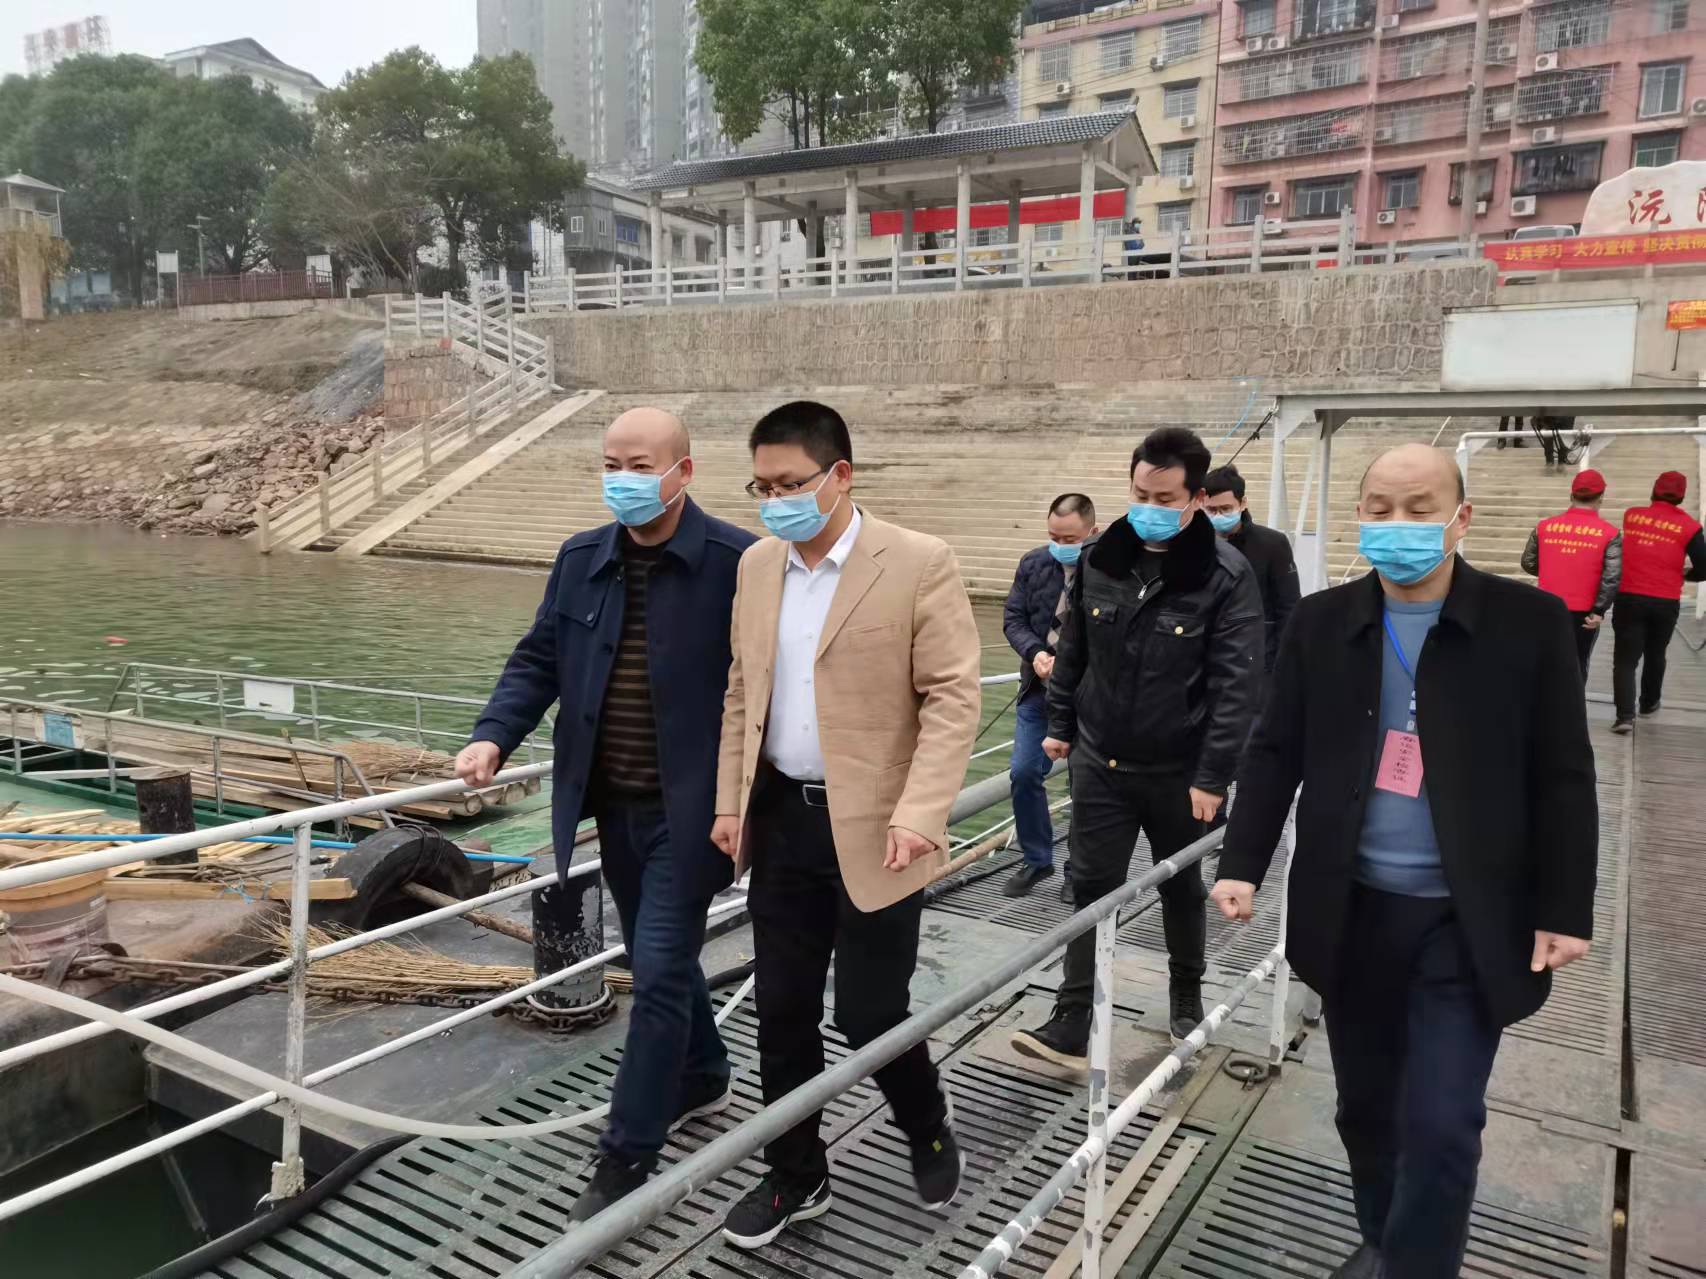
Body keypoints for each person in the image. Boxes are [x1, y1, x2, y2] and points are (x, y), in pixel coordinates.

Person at [1210, 443, 1597, 1279]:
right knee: (1366, 1110)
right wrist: (1242, 861)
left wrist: (1566, 905)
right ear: (1359, 516)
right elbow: (1275, 749)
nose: (1399, 525)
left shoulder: (1528, 622)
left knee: (1444, 1122)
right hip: (1352, 911)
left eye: (1421, 509)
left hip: (1469, 919)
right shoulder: (1322, 622)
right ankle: (1386, 1238)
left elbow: (1564, 772)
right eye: (1380, 508)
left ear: (1462, 518)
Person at [455, 408, 755, 1220]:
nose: (622, 479)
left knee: (654, 967)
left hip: (691, 813)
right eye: (611, 463)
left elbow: (765, 688)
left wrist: (750, 800)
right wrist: (493, 734)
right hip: (609, 806)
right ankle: (704, 1074)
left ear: (683, 472)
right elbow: (539, 659)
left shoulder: (739, 564)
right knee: (663, 959)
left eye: (640, 465)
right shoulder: (581, 559)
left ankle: (627, 1152)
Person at [711, 400, 981, 1249]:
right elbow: (742, 691)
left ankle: (925, 1121)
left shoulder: (917, 561)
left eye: (790, 483)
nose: (775, 500)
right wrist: (729, 803)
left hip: (880, 828)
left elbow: (952, 697)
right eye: (762, 486)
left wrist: (923, 811)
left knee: (869, 1013)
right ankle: (798, 1175)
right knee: (782, 1011)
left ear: (840, 475)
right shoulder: (757, 565)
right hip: (782, 823)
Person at [1009, 426, 1263, 1066]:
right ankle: (1073, 1018)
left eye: (1164, 498)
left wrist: (1213, 775)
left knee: (1181, 886)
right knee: (1091, 888)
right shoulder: (1102, 558)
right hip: (1101, 760)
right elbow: (1072, 651)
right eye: (1140, 494)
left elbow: (1236, 686)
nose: (1148, 507)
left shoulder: (1225, 576)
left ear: (1195, 498)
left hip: (1180, 772)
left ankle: (1185, 995)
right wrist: (1060, 725)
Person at [1000, 493, 1099, 901]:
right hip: (1038, 690)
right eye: (1053, 536)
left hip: (1089, 698)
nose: (1060, 545)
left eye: (1070, 539)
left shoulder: (1110, 570)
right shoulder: (1034, 564)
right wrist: (1035, 653)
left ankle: (1079, 870)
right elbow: (1014, 618)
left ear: (1092, 532)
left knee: (1085, 784)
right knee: (1024, 772)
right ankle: (1037, 859)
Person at [1610, 469, 1706, 732]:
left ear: (1654, 490)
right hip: (1665, 600)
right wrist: (1687, 574)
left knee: (1625, 659)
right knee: (1656, 653)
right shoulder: (1690, 527)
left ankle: (1624, 717)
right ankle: (1649, 703)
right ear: (1682, 496)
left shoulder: (1632, 515)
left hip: (1630, 596)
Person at [1520, 467, 1620, 683]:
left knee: (1545, 664)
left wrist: (1551, 569)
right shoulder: (1610, 533)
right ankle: (1572, 704)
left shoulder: (1544, 527)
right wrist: (1599, 610)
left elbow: (1528, 562)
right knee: (1577, 665)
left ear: (1571, 495)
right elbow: (1611, 577)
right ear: (1601, 497)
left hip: (1546, 607)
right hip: (1584, 613)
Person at [1203, 464, 1301, 674]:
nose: (1218, 515)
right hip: (1207, 657)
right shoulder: (1195, 545)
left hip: (1259, 659)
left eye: (1226, 509)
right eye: (1211, 510)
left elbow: (1289, 606)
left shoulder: (1272, 544)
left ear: (1242, 503)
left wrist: (1281, 663)